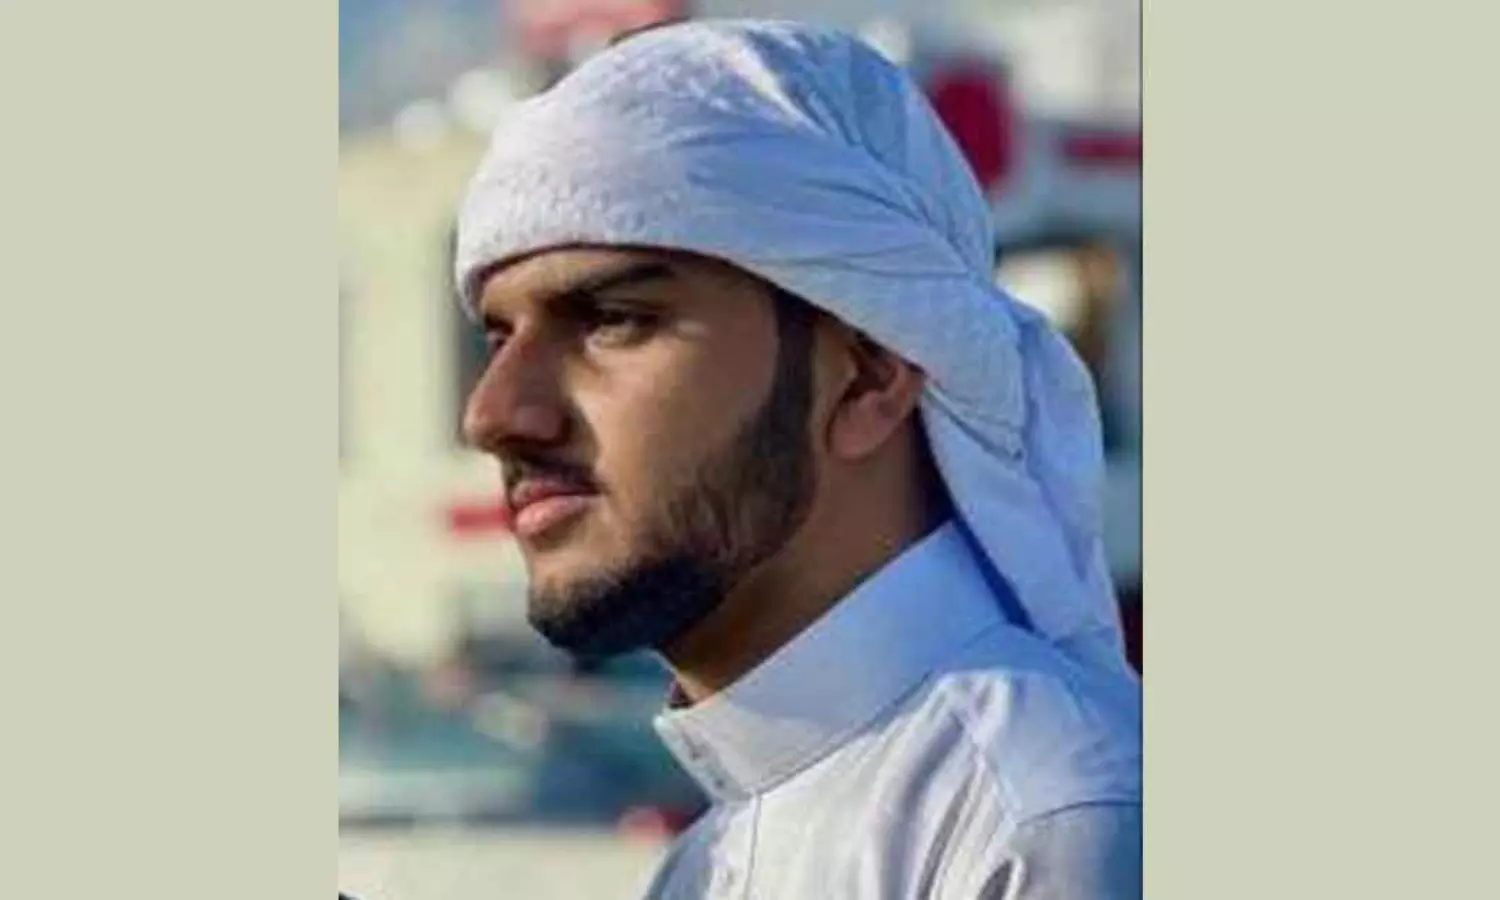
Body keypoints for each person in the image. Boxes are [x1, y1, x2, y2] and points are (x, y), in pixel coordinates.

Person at [453, 19, 1141, 899]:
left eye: (612, 319)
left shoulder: (1053, 819)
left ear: (866, 375)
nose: (495, 414)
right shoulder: (703, 860)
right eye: (498, 338)